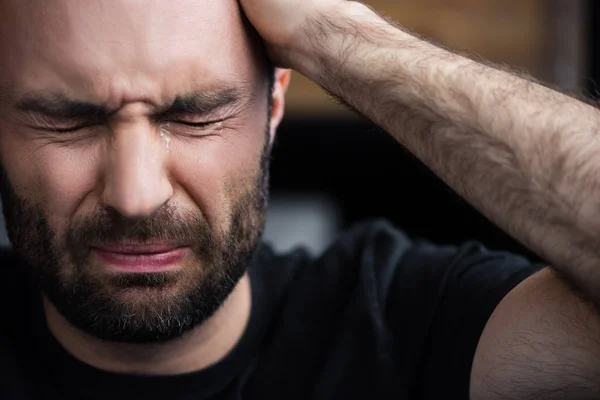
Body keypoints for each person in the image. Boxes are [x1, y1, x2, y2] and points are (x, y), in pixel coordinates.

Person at [1, 0, 600, 398]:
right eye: (67, 122)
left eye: (197, 116)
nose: (135, 196)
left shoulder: (405, 322)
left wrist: (332, 37)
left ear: (274, 104)